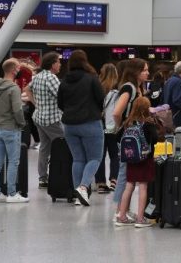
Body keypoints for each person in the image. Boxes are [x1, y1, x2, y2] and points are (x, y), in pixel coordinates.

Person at [56, 50, 104, 206]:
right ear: (85, 61)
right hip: (90, 122)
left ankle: (78, 195)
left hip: (69, 125)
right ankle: (83, 187)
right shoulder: (91, 78)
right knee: (94, 158)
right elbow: (101, 99)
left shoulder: (64, 81)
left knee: (78, 159)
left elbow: (60, 104)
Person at [111, 59, 149, 220]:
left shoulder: (139, 88)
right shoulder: (129, 88)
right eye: (144, 70)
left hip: (134, 135)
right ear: (135, 71)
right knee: (124, 173)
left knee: (128, 173)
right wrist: (123, 126)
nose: (147, 73)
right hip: (128, 136)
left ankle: (123, 209)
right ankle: (119, 211)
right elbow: (117, 112)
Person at [114, 97, 158, 228]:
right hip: (145, 159)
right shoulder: (148, 123)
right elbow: (155, 139)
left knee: (129, 186)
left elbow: (117, 137)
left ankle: (121, 216)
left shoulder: (128, 122)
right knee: (143, 187)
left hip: (130, 159)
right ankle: (140, 219)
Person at [24, 51, 63, 188]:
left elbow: (27, 89)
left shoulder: (38, 76)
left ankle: (42, 178)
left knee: (44, 148)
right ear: (53, 64)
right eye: (58, 62)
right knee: (63, 146)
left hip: (39, 118)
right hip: (52, 119)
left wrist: (36, 103)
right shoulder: (51, 78)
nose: (60, 64)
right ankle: (60, 175)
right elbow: (61, 96)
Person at [0, 59, 27, 203]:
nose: (19, 70)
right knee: (13, 162)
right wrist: (22, 123)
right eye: (18, 67)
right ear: (14, 70)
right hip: (11, 129)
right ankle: (12, 194)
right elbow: (17, 110)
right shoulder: (14, 88)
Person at [96, 63, 120, 194]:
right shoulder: (117, 92)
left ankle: (100, 183)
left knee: (100, 155)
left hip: (98, 125)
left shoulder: (97, 89)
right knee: (114, 154)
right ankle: (114, 180)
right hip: (112, 126)